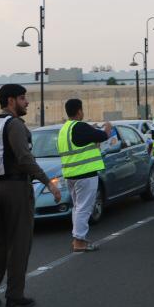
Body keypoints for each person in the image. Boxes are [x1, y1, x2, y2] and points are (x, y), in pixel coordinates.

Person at [0, 84, 61, 307]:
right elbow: (25, 159)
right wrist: (48, 183)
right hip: (15, 189)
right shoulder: (14, 125)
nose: (26, 102)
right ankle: (15, 296)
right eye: (23, 98)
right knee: (19, 244)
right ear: (11, 100)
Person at [58, 99, 111, 252]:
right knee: (84, 208)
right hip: (85, 174)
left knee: (77, 208)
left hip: (71, 175)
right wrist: (107, 127)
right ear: (79, 111)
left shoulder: (64, 129)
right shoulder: (80, 127)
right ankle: (79, 241)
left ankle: (78, 237)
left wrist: (91, 130)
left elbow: (82, 141)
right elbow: (102, 136)